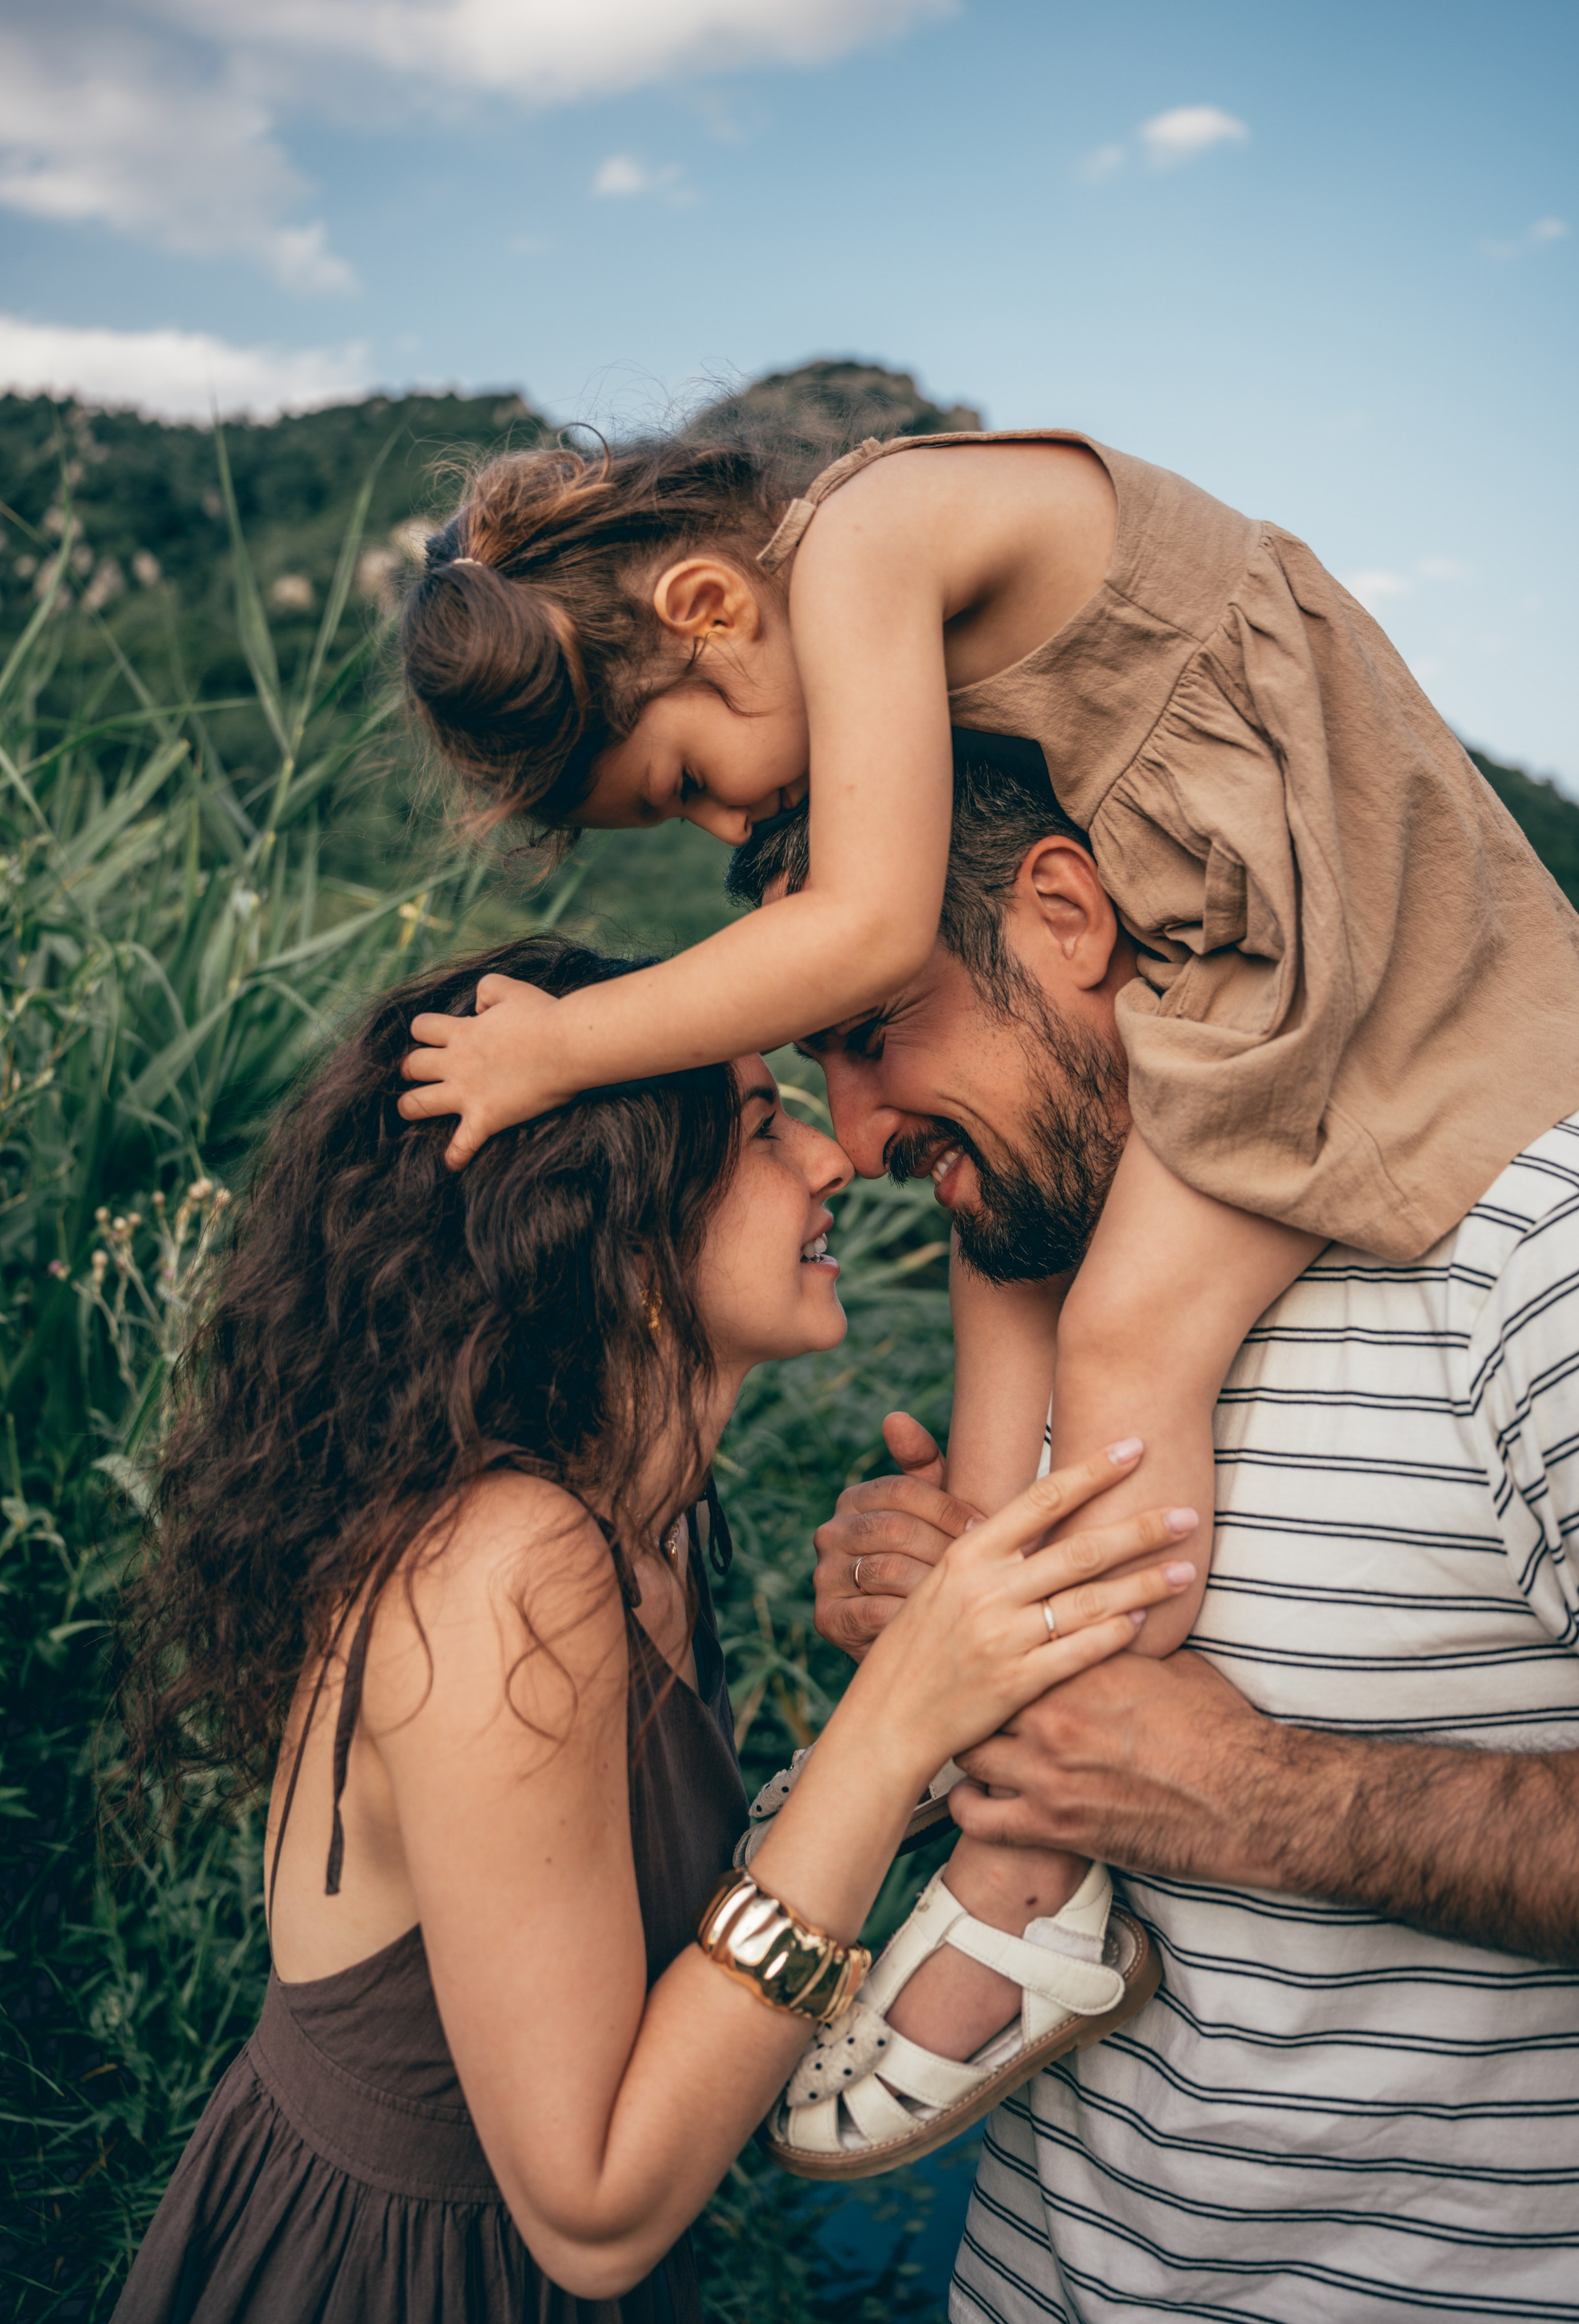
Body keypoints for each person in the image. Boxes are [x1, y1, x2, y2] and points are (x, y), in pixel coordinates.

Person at [392, 424, 1579, 2114]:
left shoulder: (879, 533)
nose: (744, 810)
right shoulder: (920, 638)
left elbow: (873, 920)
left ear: (715, 600)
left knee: (1120, 1347)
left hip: (1336, 941)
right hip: (1258, 930)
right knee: (1016, 1305)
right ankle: (1000, 1696)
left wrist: (566, 1046)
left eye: (686, 781)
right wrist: (948, 1605)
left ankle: (1030, 1881)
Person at [110, 931, 1187, 2324]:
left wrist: (945, 1655)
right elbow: (594, 2213)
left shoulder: (645, 1519)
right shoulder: (506, 1564)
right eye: (757, 1127)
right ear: (615, 1234)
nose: (832, 1162)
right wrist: (893, 1718)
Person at [730, 766, 1579, 2320]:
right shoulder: (1064, 1253)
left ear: (1064, 913)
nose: (848, 1137)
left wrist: (1270, 1800)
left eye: (871, 1032)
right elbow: (1068, 1792)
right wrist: (931, 1644)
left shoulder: (1532, 1263)